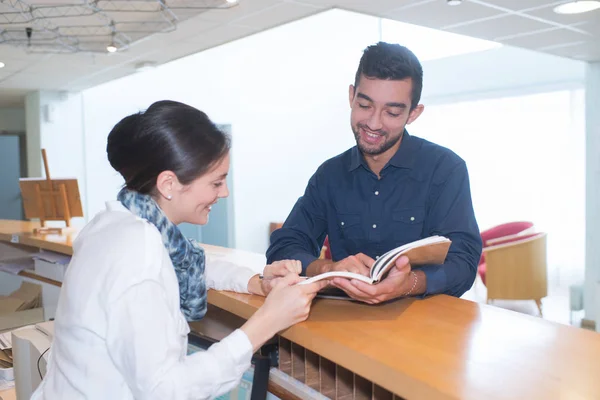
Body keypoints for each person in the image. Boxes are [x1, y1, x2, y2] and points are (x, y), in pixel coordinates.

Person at [32, 100, 328, 400]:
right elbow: (165, 390)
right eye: (217, 182)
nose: (224, 192)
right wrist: (267, 322)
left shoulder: (114, 223)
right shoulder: (138, 251)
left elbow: (189, 261)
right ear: (169, 184)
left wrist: (257, 281)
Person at [266, 42, 482, 304]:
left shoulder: (445, 169)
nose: (373, 123)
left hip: (424, 329)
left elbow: (464, 263)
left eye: (392, 112)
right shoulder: (329, 175)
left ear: (413, 113)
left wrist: (408, 283)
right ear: (351, 96)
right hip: (346, 326)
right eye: (365, 105)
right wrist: (327, 269)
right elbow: (284, 246)